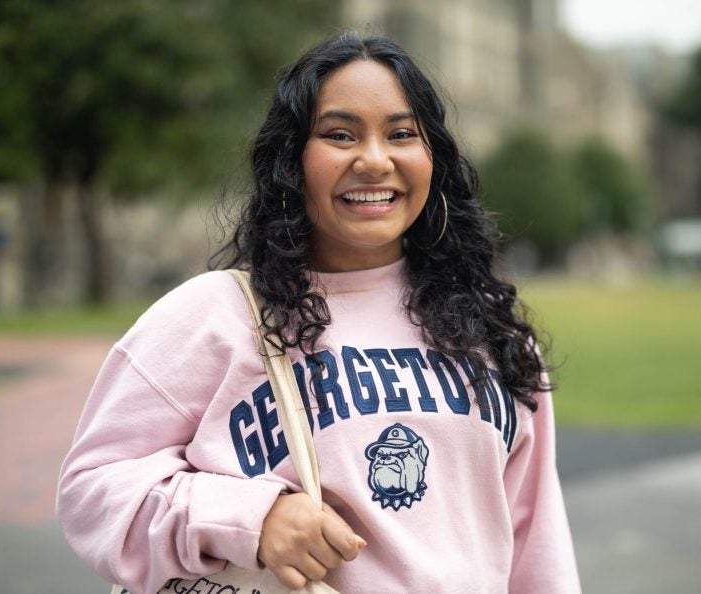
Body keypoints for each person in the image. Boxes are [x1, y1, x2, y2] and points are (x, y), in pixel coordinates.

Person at [57, 32, 581, 594]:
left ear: (433, 159)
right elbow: (92, 489)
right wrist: (251, 519)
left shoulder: (492, 331)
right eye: (339, 135)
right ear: (293, 161)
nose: (375, 160)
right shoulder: (214, 316)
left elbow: (536, 543)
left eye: (401, 134)